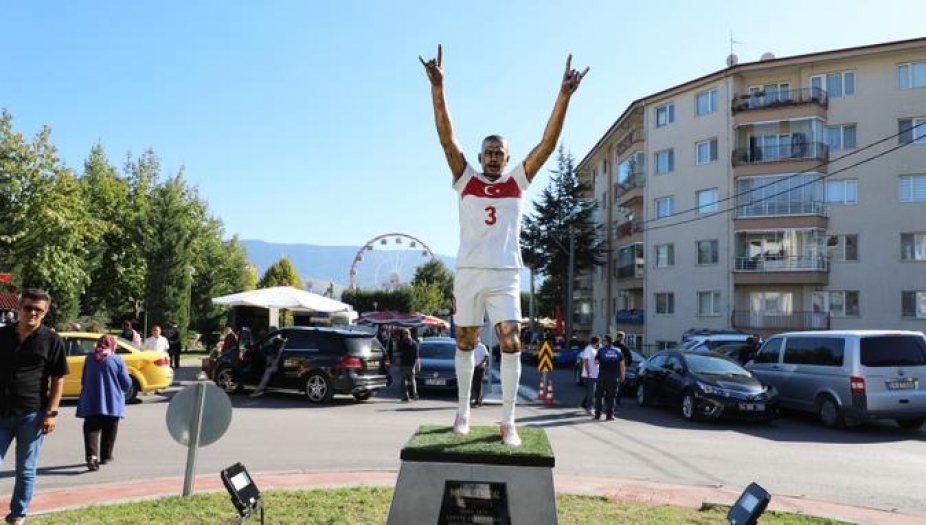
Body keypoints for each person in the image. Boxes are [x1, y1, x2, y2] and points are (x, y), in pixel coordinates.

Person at [420, 44, 588, 446]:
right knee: (466, 341)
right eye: (489, 153)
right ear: (480, 156)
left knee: (511, 342)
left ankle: (508, 420)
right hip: (469, 272)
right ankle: (462, 412)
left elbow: (547, 145)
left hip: (506, 274)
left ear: (508, 157)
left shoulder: (517, 181)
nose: (494, 157)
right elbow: (446, 139)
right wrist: (438, 88)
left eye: (500, 153)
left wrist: (563, 96)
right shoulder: (466, 180)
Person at [0, 288, 69, 525]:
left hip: (32, 414)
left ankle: (17, 516)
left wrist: (52, 413)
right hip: (1, 413)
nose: (32, 313)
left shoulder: (52, 340)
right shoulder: (2, 335)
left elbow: (58, 380)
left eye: (38, 310)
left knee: (25, 469)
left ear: (45, 312)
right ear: (18, 308)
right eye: (28, 307)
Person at [76, 334, 131, 471]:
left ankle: (92, 456)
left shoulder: (89, 358)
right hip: (111, 400)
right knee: (110, 428)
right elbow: (126, 383)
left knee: (91, 429)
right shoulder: (116, 359)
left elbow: (83, 379)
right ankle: (106, 456)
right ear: (112, 345)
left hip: (91, 400)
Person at [594, 335, 625, 421]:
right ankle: (609, 415)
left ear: (606, 341)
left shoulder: (601, 350)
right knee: (612, 396)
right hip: (614, 376)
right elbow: (622, 364)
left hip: (602, 375)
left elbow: (596, 362)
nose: (602, 342)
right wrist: (623, 375)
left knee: (599, 395)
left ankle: (597, 414)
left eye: (603, 340)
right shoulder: (618, 350)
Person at [397, 328, 420, 402]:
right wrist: (418, 364)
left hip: (404, 364)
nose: (404, 335)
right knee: (412, 380)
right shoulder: (414, 343)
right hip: (411, 364)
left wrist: (398, 362)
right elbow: (416, 356)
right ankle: (414, 395)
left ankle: (406, 396)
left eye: (404, 334)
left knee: (404, 381)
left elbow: (399, 354)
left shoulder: (401, 343)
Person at [579, 336, 600, 415]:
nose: (600, 343)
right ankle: (589, 408)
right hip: (590, 374)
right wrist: (588, 372)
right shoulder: (588, 349)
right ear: (596, 341)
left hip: (595, 374)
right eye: (599, 341)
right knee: (591, 392)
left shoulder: (595, 349)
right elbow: (585, 361)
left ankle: (584, 405)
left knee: (591, 392)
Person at [613, 332, 633, 407]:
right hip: (620, 367)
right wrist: (627, 365)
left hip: (612, 366)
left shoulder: (613, 345)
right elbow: (630, 357)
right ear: (623, 338)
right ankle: (617, 401)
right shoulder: (624, 346)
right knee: (619, 384)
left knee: (612, 383)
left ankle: (612, 400)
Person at [471, 337, 489, 407]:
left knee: (478, 384)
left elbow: (486, 356)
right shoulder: (472, 347)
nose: (475, 341)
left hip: (480, 368)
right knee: (474, 384)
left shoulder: (482, 346)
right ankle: (477, 400)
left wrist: (481, 364)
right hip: (473, 367)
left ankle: (478, 401)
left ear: (478, 340)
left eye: (476, 340)